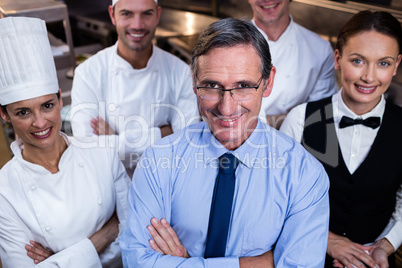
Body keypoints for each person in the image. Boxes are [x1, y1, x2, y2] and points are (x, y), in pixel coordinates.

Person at [119, 18, 330, 267]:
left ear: (268, 82)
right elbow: (137, 261)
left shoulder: (304, 175)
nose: (226, 107)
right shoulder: (158, 161)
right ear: (194, 81)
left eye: (243, 86)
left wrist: (187, 262)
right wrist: (257, 263)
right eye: (211, 86)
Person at [0, 17, 130, 267]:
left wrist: (60, 261)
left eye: (47, 106)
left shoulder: (102, 152)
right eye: (23, 112)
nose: (40, 123)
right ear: (4, 115)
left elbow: (134, 233)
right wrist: (103, 236)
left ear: (60, 99)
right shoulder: (5, 193)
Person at [280, 10, 402, 268]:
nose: (369, 76)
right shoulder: (301, 119)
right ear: (337, 59)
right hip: (303, 257)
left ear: (396, 66)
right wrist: (327, 240)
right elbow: (277, 199)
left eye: (383, 63)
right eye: (358, 61)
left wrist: (385, 245)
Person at [70, 0, 199, 177]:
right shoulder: (88, 73)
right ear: (112, 15)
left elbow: (185, 146)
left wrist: (115, 140)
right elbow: (90, 152)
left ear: (158, 15)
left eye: (146, 13)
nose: (137, 25)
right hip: (111, 194)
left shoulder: (181, 72)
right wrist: (163, 133)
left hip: (165, 187)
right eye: (127, 14)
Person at [247, 0, 338, 128]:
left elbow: (318, 118)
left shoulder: (320, 49)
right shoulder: (227, 46)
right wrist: (288, 119)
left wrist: (251, 122)